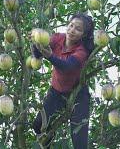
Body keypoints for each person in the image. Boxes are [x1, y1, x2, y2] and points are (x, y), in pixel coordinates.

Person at [31, 13, 95, 149]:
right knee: (38, 125)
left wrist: (50, 56)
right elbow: (37, 55)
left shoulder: (82, 51)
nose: (72, 30)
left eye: (78, 29)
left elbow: (66, 67)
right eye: (71, 25)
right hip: (56, 93)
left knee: (79, 142)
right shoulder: (58, 38)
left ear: (84, 34)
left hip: (78, 95)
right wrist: (36, 43)